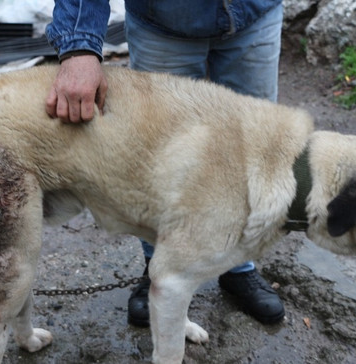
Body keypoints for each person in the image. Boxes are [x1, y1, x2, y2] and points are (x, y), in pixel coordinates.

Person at [44, 0, 285, 327]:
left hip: (254, 15)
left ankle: (236, 266)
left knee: (248, 150)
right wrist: (79, 48)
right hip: (164, 24)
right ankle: (161, 269)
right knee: (161, 156)